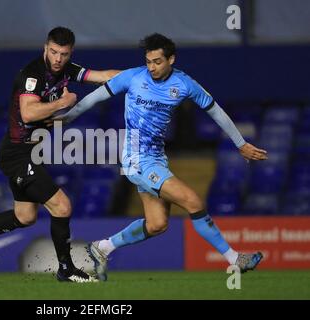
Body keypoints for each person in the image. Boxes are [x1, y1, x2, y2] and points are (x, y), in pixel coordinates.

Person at [55, 33, 268, 281]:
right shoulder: (133, 77)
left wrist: (240, 144)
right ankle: (235, 258)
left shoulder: (185, 84)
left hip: (156, 158)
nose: (152, 67)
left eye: (157, 61)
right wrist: (63, 120)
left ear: (171, 59)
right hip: (136, 159)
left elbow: (216, 112)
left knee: (157, 224)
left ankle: (101, 248)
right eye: (148, 61)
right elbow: (92, 99)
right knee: (193, 201)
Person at [0, 27, 120, 282]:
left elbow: (103, 75)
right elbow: (28, 113)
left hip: (31, 154)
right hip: (17, 155)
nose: (57, 59)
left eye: (63, 54)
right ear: (45, 48)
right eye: (53, 52)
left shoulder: (66, 69)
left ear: (70, 52)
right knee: (62, 206)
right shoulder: (32, 75)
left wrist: (140, 77)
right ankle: (66, 269)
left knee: (25, 217)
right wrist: (63, 103)